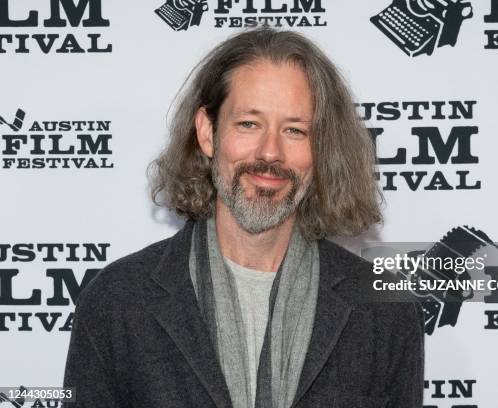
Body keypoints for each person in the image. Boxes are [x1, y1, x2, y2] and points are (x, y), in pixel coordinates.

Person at [63, 27, 424, 408]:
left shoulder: (385, 311)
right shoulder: (118, 301)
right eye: (249, 124)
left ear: (321, 148)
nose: (270, 152)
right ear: (207, 132)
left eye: (295, 130)